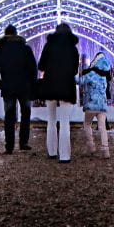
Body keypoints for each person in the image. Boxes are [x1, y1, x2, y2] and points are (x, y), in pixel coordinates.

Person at [0, 25, 36, 154]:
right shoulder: (25, 49)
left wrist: (0, 84)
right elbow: (33, 69)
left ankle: (9, 146)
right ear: (16, 34)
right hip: (24, 87)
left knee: (9, 116)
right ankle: (23, 143)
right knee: (26, 114)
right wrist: (32, 84)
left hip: (8, 87)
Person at [37, 22, 79, 162]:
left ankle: (52, 151)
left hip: (50, 86)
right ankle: (65, 156)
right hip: (67, 86)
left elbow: (41, 66)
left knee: (51, 120)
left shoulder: (49, 46)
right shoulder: (73, 49)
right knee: (65, 122)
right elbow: (74, 70)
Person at [77, 51, 112, 158]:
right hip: (102, 106)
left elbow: (80, 81)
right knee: (102, 127)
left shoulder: (91, 74)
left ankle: (91, 147)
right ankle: (105, 150)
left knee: (87, 124)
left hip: (91, 105)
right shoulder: (105, 76)